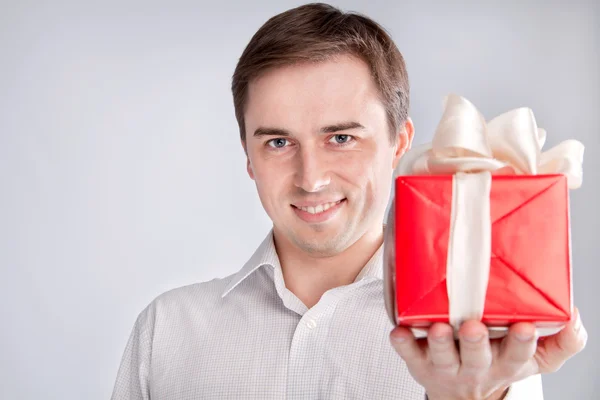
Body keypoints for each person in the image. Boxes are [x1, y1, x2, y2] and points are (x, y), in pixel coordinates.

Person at [110, 3, 587, 399]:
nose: (311, 178)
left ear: (400, 143)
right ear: (248, 157)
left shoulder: (478, 346)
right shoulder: (167, 330)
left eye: (340, 137)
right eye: (278, 143)